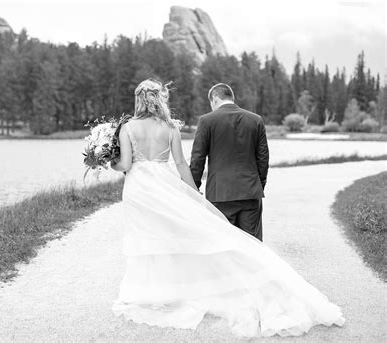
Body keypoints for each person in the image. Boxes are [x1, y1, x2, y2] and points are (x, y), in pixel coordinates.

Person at [110, 78, 344, 338]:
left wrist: (111, 161)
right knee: (235, 243)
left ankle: (157, 291)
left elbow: (130, 164)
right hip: (206, 190)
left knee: (149, 238)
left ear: (138, 99)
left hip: (146, 191)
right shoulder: (173, 127)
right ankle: (256, 287)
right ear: (159, 99)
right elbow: (184, 164)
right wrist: (197, 193)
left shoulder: (130, 127)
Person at [190, 83, 268, 241]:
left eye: (211, 103)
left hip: (220, 194)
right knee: (252, 245)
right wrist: (257, 185)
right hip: (250, 193)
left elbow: (198, 159)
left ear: (215, 99)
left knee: (223, 245)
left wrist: (194, 188)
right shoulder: (256, 120)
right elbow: (263, 160)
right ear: (231, 98)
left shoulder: (206, 121)